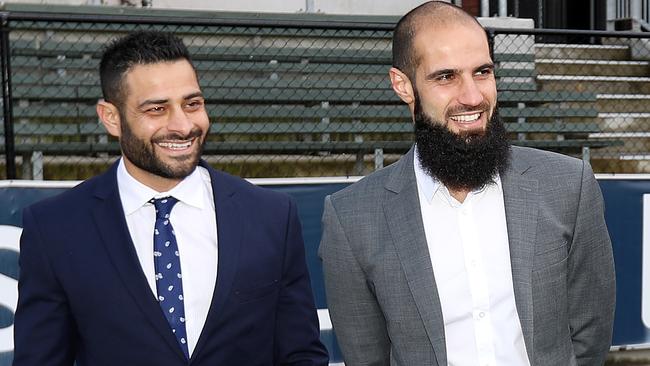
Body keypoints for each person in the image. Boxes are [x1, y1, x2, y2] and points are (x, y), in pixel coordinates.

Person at [319, 2, 615, 366]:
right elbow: (366, 357)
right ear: (403, 86)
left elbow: (590, 334)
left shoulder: (570, 185)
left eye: (483, 72)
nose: (473, 96)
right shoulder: (352, 219)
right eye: (446, 77)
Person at [13, 30, 328, 366]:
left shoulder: (271, 216)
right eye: (157, 109)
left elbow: (301, 354)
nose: (182, 125)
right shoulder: (55, 229)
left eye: (192, 104)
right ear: (111, 118)